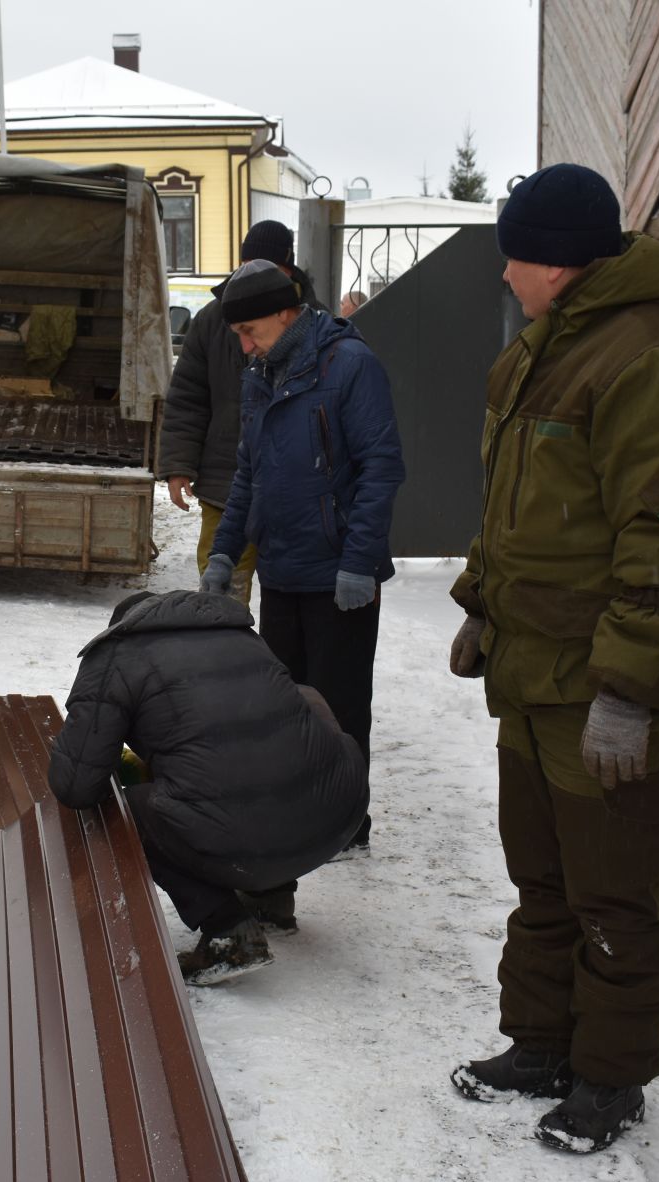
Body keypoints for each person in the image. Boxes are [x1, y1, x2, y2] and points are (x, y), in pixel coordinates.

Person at [445, 163, 659, 1152]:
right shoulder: (541, 353)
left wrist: (630, 690)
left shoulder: (653, 358)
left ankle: (610, 1078)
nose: (502, 276)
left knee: (616, 890)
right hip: (531, 674)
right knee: (544, 880)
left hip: (601, 689)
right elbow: (516, 511)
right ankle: (540, 1043)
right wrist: (482, 602)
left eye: (511, 257)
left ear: (554, 260)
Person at [48, 591, 367, 984]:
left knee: (126, 812)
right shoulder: (243, 638)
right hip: (332, 821)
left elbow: (77, 788)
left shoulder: (116, 655)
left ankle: (227, 930)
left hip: (246, 839)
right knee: (264, 742)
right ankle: (274, 897)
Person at [202, 258, 404, 853]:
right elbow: (249, 475)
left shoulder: (351, 366)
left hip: (339, 576)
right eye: (237, 335)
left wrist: (358, 562)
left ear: (286, 314)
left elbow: (381, 469)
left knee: (339, 712)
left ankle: (345, 827)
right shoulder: (262, 374)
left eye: (249, 331)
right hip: (284, 571)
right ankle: (302, 819)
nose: (243, 346)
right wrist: (224, 554)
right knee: (287, 710)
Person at [159, 220, 323, 602]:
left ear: (289, 269)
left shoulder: (314, 323)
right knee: (220, 593)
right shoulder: (212, 319)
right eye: (250, 262)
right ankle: (225, 657)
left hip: (295, 492)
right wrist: (178, 464)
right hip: (225, 483)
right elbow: (187, 396)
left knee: (291, 599)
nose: (256, 274)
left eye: (269, 265)